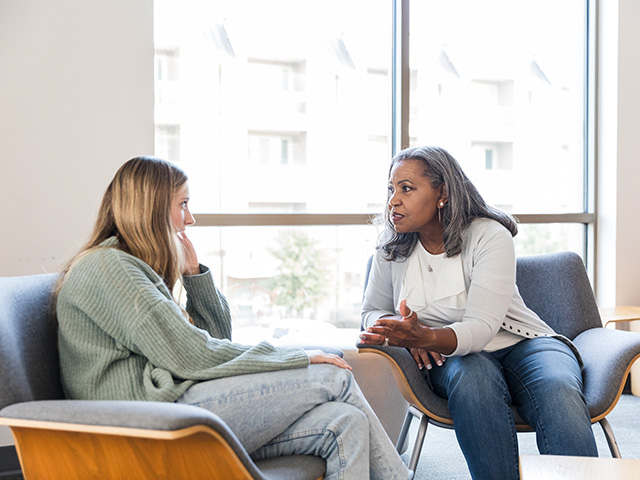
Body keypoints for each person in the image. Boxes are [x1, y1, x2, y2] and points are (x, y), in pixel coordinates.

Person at [54, 156, 410, 480]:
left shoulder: (127, 266)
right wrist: (296, 357)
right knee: (333, 376)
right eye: (183, 204)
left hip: (172, 408)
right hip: (144, 422)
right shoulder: (109, 267)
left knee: (345, 422)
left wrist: (195, 276)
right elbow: (192, 356)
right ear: (152, 208)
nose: (190, 219)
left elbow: (216, 341)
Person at [358, 146, 598, 480]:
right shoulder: (391, 245)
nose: (393, 201)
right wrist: (400, 331)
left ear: (442, 194)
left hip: (524, 341)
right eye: (391, 189)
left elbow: (482, 327)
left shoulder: (489, 235)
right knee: (475, 381)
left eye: (406, 189)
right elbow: (372, 311)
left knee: (557, 388)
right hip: (450, 356)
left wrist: (424, 336)